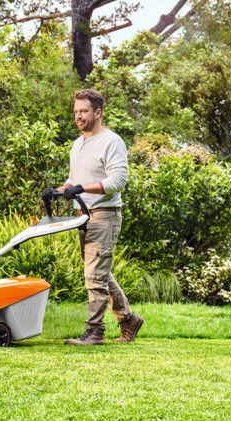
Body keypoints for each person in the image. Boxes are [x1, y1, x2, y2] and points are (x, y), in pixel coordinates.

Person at [42, 88, 143, 345]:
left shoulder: (111, 141)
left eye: (84, 111)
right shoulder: (78, 144)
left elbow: (118, 180)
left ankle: (95, 331)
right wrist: (57, 191)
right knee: (98, 272)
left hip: (104, 214)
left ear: (97, 112)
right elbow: (75, 182)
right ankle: (128, 319)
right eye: (76, 111)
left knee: (95, 275)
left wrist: (82, 188)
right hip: (83, 217)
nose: (78, 116)